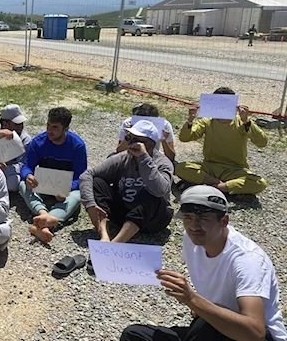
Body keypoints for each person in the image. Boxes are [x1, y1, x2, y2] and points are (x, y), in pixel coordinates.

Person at [120, 185, 287, 341]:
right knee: (134, 335)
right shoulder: (192, 240)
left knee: (205, 327)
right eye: (188, 217)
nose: (194, 226)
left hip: (253, 336)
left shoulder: (247, 261)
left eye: (203, 218)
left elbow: (255, 333)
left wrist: (193, 299)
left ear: (224, 221)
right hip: (213, 329)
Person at [80, 120, 174, 244]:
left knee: (152, 195)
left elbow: (161, 190)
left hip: (152, 219)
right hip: (125, 211)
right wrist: (90, 204)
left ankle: (117, 243)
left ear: (150, 144)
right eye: (129, 138)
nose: (131, 143)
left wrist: (144, 158)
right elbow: (87, 175)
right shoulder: (123, 158)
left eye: (136, 140)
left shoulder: (163, 163)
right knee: (97, 182)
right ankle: (104, 236)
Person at [175, 87, 268, 195]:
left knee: (260, 183)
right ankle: (220, 185)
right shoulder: (207, 122)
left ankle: (218, 187)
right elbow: (184, 138)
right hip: (210, 167)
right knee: (181, 168)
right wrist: (190, 120)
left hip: (235, 169)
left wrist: (247, 121)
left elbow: (262, 142)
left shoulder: (242, 122)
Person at [19, 107, 87, 243]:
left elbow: (81, 176)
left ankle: (44, 223)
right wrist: (28, 176)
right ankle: (44, 215)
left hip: (64, 189)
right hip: (43, 185)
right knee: (22, 185)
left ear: (66, 129)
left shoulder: (77, 146)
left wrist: (68, 188)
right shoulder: (38, 142)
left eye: (55, 127)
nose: (49, 130)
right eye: (48, 125)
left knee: (78, 195)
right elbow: (27, 166)